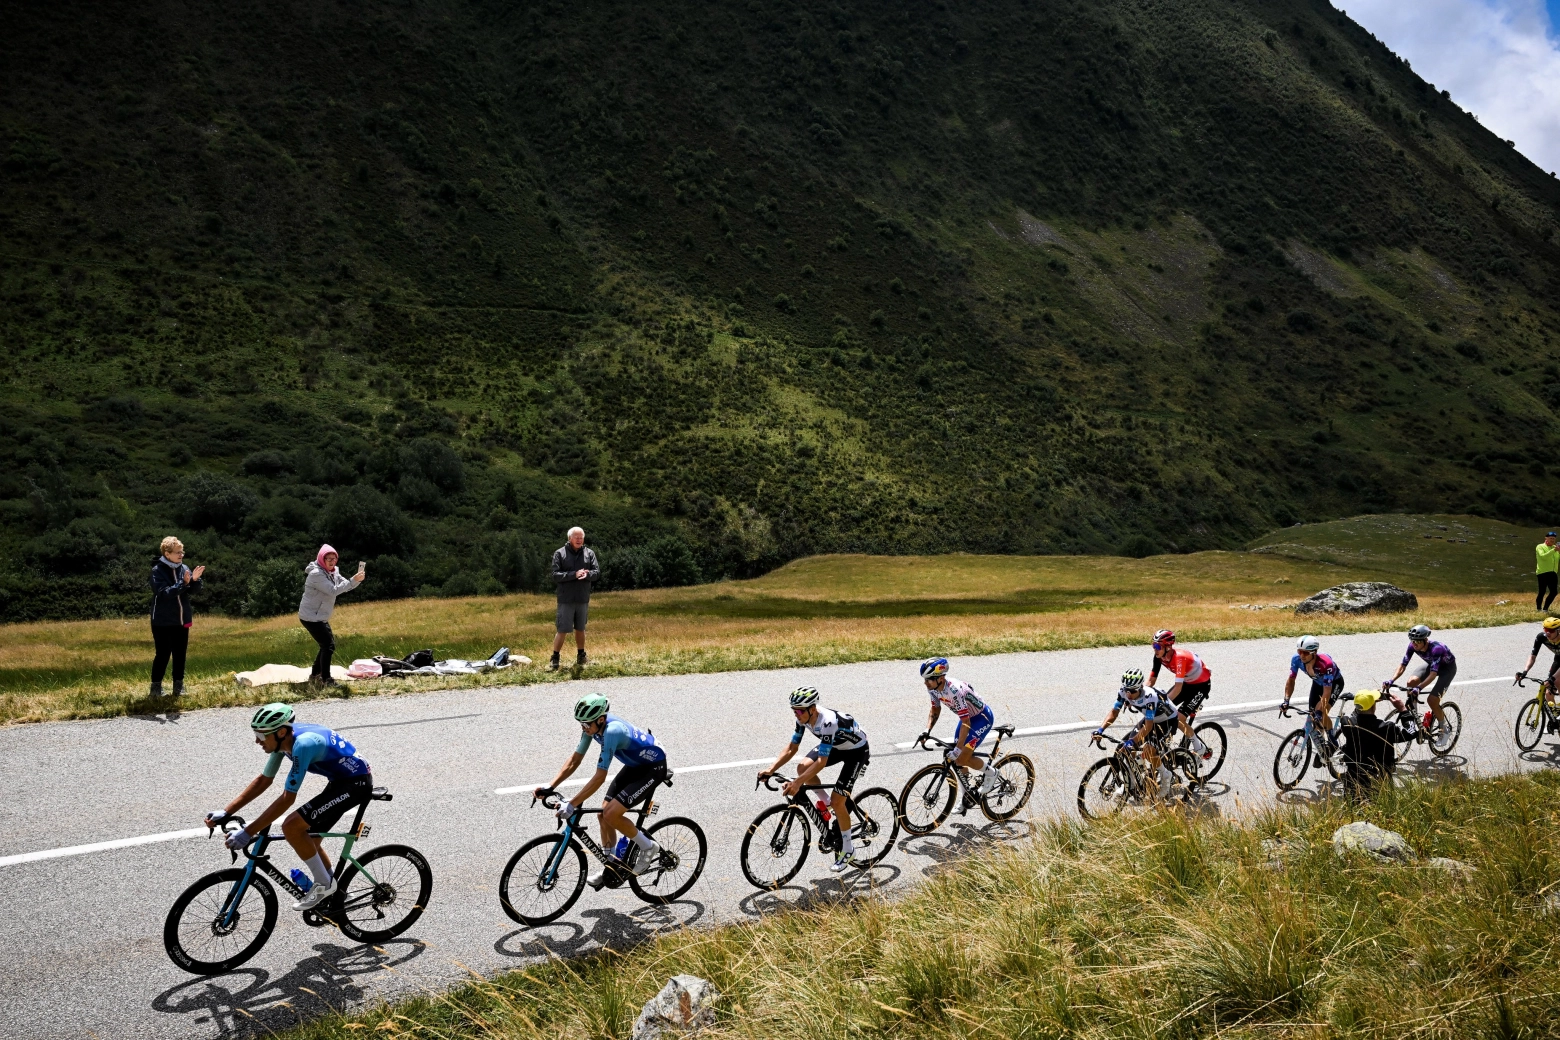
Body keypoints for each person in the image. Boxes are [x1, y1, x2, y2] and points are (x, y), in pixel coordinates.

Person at [205, 703, 374, 911]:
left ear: (281, 732)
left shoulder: (302, 745)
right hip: (339, 781)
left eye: (260, 735)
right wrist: (227, 811)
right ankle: (335, 893)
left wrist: (248, 832)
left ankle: (324, 885)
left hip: (356, 783)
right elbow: (264, 780)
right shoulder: (282, 740)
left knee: (292, 826)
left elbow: (287, 798)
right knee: (311, 838)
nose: (256, 740)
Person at [536, 694, 666, 889]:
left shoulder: (612, 731)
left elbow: (599, 777)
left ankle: (648, 846)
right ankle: (612, 865)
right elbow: (574, 760)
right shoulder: (592, 728)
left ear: (601, 719)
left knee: (611, 813)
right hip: (635, 765)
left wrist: (572, 804)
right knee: (601, 815)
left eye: (586, 724)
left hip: (652, 767)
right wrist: (550, 786)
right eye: (581, 723)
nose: (583, 728)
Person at [759, 686, 870, 872]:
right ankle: (826, 801)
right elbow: (792, 748)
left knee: (838, 801)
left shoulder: (827, 722)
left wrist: (797, 782)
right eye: (794, 710)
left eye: (800, 710)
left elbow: (820, 762)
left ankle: (848, 849)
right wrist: (771, 769)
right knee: (802, 766)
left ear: (812, 709)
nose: (797, 714)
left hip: (856, 751)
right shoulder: (803, 719)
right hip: (837, 744)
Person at [1092, 668, 1202, 796]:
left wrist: (1132, 741)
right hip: (1150, 719)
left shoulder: (1150, 696)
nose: (1128, 694)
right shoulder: (1124, 691)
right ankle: (1130, 784)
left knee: (1149, 751)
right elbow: (1114, 712)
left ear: (1139, 688)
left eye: (1132, 691)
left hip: (1167, 720)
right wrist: (1100, 729)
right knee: (1126, 750)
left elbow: (1149, 727)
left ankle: (1166, 775)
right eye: (1126, 690)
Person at [918, 657, 1001, 806]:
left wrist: (958, 749)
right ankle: (967, 798)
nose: (925, 683)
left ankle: (991, 773)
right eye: (925, 679)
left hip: (981, 719)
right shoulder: (933, 688)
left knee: (961, 758)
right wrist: (927, 730)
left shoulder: (955, 691)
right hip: (966, 720)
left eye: (929, 679)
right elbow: (935, 709)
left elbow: (966, 722)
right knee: (955, 759)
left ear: (940, 678)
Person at [298, 544, 365, 686]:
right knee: (328, 645)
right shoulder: (316, 574)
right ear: (322, 559)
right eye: (328, 558)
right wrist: (353, 581)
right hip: (311, 616)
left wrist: (356, 580)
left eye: (334, 559)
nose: (332, 561)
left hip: (319, 615)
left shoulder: (334, 571)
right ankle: (326, 679)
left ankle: (315, 675)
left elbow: (345, 585)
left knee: (326, 645)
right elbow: (333, 590)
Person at [1147, 629, 1214, 760]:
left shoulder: (1180, 658)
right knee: (1164, 712)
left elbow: (1177, 688)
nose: (1155, 649)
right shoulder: (1159, 657)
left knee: (1177, 718)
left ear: (1168, 646)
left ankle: (1200, 748)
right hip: (1186, 684)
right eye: (1153, 645)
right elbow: (1151, 680)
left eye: (1157, 646)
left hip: (1200, 686)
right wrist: (1140, 694)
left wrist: (1162, 704)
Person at [150, 536, 204, 697]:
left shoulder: (184, 567)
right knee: (163, 654)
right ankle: (155, 687)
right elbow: (164, 594)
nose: (181, 555)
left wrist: (194, 580)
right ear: (167, 553)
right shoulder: (157, 571)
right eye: (177, 552)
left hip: (183, 620)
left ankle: (178, 686)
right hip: (162, 621)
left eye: (182, 552)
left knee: (180, 653)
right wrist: (184, 584)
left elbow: (194, 591)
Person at [1337, 690, 1414, 798]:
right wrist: (1402, 709)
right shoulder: (1386, 728)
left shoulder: (1347, 724)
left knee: (1353, 810)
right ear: (1374, 706)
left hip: (1353, 781)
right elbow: (1411, 732)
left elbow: (1354, 716)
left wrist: (1366, 704)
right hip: (1379, 782)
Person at [1383, 624, 1455, 732]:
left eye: (1417, 641)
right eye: (1412, 640)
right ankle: (1414, 716)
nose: (1414, 644)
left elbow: (1433, 674)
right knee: (1411, 682)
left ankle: (1444, 729)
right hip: (1432, 665)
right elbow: (1403, 665)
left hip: (1447, 670)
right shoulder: (1412, 646)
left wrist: (1420, 688)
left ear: (1425, 640)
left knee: (1432, 700)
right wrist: (1391, 680)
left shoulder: (1436, 649)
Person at [549, 527, 599, 671]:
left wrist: (588, 574)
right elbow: (555, 575)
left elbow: (597, 573)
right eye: (576, 537)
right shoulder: (560, 553)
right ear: (570, 538)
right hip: (566, 598)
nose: (579, 540)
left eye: (581, 537)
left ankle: (581, 656)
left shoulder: (589, 553)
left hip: (583, 597)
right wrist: (574, 574)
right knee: (562, 629)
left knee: (580, 628)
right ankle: (555, 658)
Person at [1282, 635, 1345, 745]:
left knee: (1321, 713)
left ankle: (1332, 743)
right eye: (1299, 651)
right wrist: (1286, 700)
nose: (1302, 655)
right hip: (1317, 683)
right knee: (1313, 716)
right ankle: (1323, 751)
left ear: (1314, 652)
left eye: (1305, 653)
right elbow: (1291, 680)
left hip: (1334, 684)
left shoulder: (1326, 664)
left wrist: (1320, 711)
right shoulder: (1296, 659)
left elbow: (1327, 691)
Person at [1517, 617, 1560, 728]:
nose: (1547, 633)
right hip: (1559, 659)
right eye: (1545, 629)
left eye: (1550, 631)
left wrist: (1553, 679)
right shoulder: (1542, 637)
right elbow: (1533, 656)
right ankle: (1555, 719)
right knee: (1548, 693)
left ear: (1558, 630)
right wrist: (1525, 671)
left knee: (1556, 680)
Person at [1537, 532, 1559, 612]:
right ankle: (1538, 609)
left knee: (1554, 592)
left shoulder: (1555, 548)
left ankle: (1545, 609)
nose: (1552, 540)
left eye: (1554, 538)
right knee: (1542, 591)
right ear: (1546, 538)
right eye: (1550, 538)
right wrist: (1554, 550)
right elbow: (1543, 556)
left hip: (1553, 572)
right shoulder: (1540, 546)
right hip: (1543, 572)